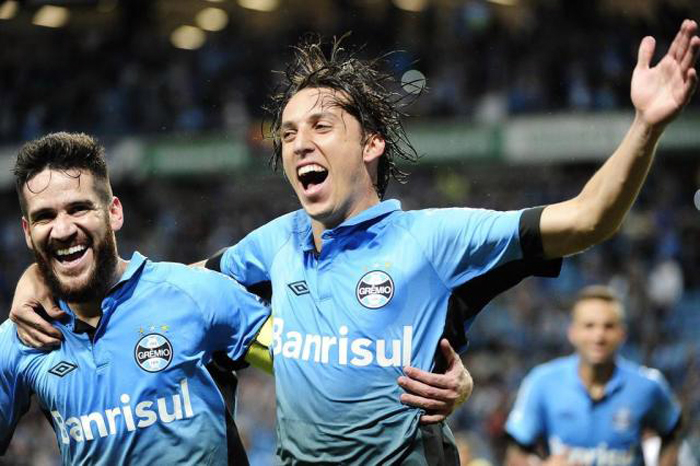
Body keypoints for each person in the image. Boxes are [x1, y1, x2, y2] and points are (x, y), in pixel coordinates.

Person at [11, 19, 700, 464]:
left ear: (370, 144)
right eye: (286, 133)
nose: (298, 143)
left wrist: (645, 126)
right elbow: (151, 290)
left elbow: (586, 220)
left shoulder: (435, 238)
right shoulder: (273, 244)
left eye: (320, 126)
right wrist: (45, 276)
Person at [0, 132, 272, 464]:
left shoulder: (195, 293)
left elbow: (313, 368)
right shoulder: (21, 338)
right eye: (45, 216)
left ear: (114, 212)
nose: (63, 229)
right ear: (28, 232)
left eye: (79, 208)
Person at [504, 285, 684, 466]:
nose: (599, 336)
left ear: (622, 334)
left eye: (608, 326)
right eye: (589, 326)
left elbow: (672, 432)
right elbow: (515, 453)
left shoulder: (648, 386)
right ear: (572, 332)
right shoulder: (542, 382)